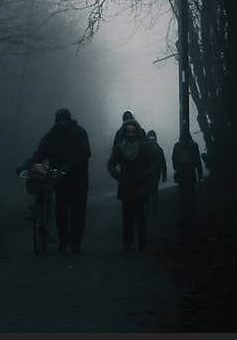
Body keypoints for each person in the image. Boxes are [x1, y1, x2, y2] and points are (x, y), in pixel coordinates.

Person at [18, 108, 91, 254]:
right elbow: (39, 154)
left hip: (78, 179)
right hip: (60, 178)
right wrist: (26, 166)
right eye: (59, 120)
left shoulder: (79, 133)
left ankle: (75, 245)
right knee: (61, 211)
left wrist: (69, 166)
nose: (61, 123)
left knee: (77, 212)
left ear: (69, 120)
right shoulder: (52, 135)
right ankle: (64, 242)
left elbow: (85, 153)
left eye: (64, 120)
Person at [107, 119, 151, 252]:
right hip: (126, 186)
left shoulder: (144, 147)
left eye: (133, 131)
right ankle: (128, 244)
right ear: (125, 133)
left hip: (140, 185)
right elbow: (110, 165)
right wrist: (119, 177)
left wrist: (147, 174)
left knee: (140, 216)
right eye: (128, 131)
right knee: (127, 217)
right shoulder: (119, 148)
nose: (131, 134)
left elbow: (152, 163)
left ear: (136, 132)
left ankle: (142, 244)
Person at [172, 133, 203, 229]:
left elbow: (174, 159)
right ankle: (191, 218)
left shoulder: (177, 146)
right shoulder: (194, 146)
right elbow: (197, 160)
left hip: (182, 175)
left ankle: (183, 219)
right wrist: (200, 174)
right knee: (190, 197)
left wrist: (177, 168)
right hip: (189, 175)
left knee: (183, 198)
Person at [145, 130, 167, 218]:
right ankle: (150, 210)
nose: (152, 140)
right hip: (148, 175)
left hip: (154, 175)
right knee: (150, 192)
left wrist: (164, 175)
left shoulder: (158, 150)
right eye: (150, 139)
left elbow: (163, 163)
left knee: (153, 192)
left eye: (153, 139)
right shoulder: (146, 149)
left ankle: (152, 210)